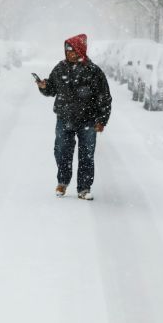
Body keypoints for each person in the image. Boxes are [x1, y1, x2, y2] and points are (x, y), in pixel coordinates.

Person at [36, 33, 111, 200]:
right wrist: (43, 86)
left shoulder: (93, 71)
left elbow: (104, 97)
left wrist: (102, 120)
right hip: (64, 118)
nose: (69, 53)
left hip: (88, 119)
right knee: (61, 151)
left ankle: (84, 188)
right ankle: (62, 182)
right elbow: (51, 89)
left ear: (81, 50)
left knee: (86, 155)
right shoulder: (60, 68)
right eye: (67, 50)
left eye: (72, 50)